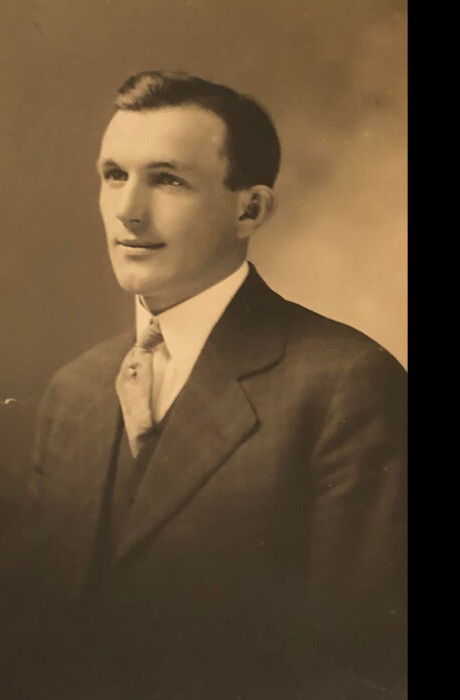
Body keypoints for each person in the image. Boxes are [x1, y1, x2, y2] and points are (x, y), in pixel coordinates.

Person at [28, 71, 407, 699]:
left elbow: (365, 666)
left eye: (168, 179)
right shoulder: (73, 392)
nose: (128, 209)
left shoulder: (347, 384)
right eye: (114, 174)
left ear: (250, 208)